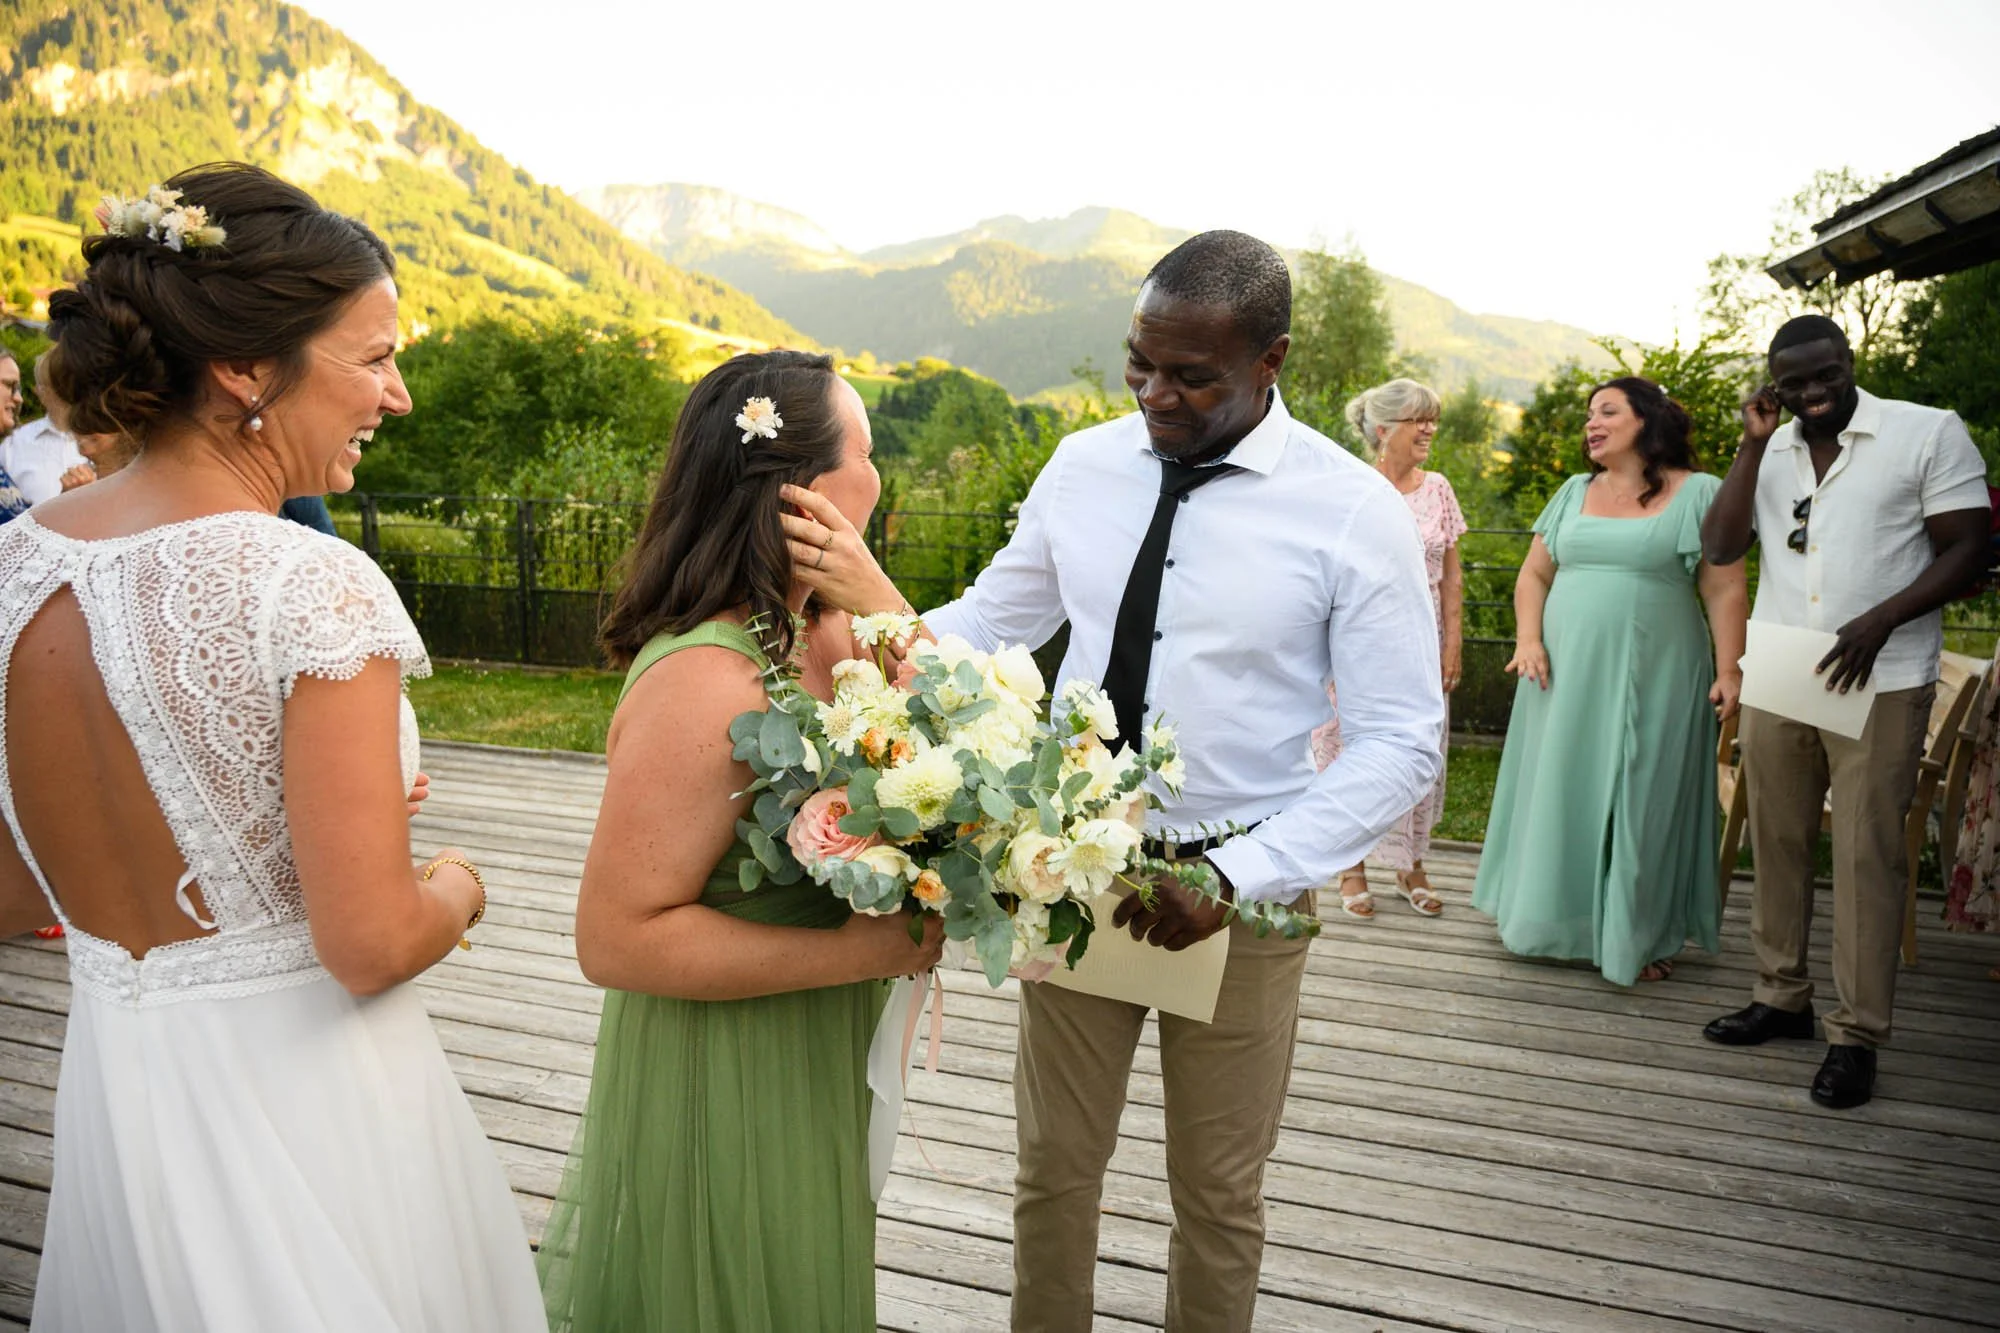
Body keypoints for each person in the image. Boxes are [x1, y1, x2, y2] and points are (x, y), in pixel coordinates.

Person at [863, 230, 1443, 1331]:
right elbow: (993, 624)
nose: (1154, 394)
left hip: (1240, 893)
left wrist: (1235, 874)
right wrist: (841, 646)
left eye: (1191, 375)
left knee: (1218, 1196)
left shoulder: (1350, 508)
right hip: (1069, 871)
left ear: (1269, 359)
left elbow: (1400, 739)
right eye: (1139, 362)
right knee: (1050, 1172)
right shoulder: (1082, 466)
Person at [0, 162, 546, 1330]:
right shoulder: (307, 583)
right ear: (248, 368)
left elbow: (9, 891)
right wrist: (458, 881)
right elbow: (370, 941)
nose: (395, 396)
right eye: (373, 357)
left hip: (121, 1097)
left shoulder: (14, 566)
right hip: (315, 1106)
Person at [536, 349, 944, 1332]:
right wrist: (854, 949)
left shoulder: (828, 638)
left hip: (817, 1038)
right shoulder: (705, 678)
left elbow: (960, 745)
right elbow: (617, 938)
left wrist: (877, 593)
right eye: (870, 449)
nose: (880, 476)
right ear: (803, 489)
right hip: (729, 1062)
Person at [1699, 315, 1991, 1109]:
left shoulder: (1926, 432)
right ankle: (1780, 994)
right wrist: (1753, 444)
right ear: (1774, 384)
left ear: (1848, 360)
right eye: (1794, 383)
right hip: (1785, 664)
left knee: (1866, 852)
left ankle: (1857, 1034)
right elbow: (1721, 545)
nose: (1813, 392)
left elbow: (1971, 544)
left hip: (1884, 668)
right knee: (1780, 835)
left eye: (1825, 374)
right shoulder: (1772, 446)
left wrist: (1881, 619)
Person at [1472, 378, 1747, 986]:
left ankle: (1639, 932)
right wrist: (1528, 640)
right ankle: (1553, 922)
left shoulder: (1700, 492)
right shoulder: (1573, 491)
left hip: (1662, 667)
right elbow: (1533, 578)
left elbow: (1725, 585)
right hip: (1563, 670)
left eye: (1607, 412)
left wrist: (1731, 669)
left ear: (1646, 421)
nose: (1591, 424)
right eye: (1588, 415)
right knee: (1564, 785)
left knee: (1645, 794)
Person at [1315, 377, 1466, 919]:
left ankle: (1411, 865)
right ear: (1383, 430)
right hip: (1356, 642)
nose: (1429, 429)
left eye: (1432, 419)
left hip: (1421, 645)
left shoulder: (1439, 489)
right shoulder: (1350, 487)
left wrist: (1453, 645)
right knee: (1344, 750)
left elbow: (1452, 578)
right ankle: (1350, 867)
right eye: (1417, 420)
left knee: (1419, 749)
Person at [0, 352, 92, 501]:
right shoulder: (12, 445)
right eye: (10, 385)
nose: (19, 398)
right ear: (39, 391)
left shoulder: (109, 442)